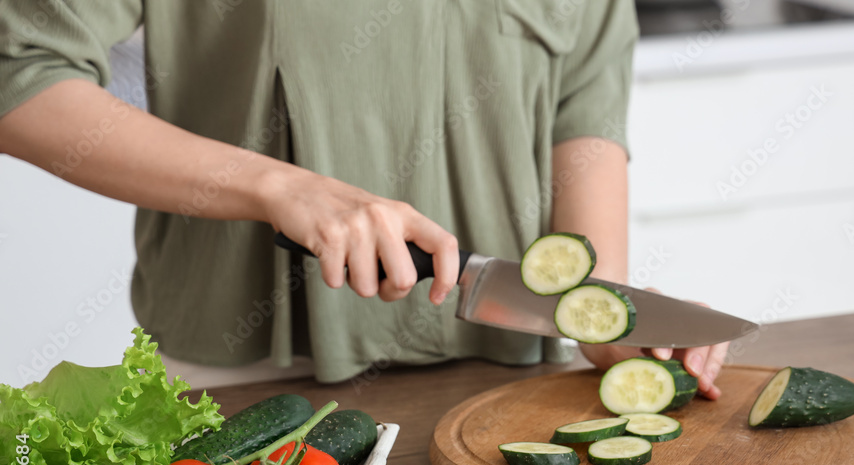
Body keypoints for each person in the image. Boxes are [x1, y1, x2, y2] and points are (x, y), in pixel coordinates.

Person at [0, 1, 728, 398]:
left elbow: (582, 121)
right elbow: (19, 76)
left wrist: (605, 314)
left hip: (507, 390)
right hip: (247, 386)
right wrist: (281, 186)